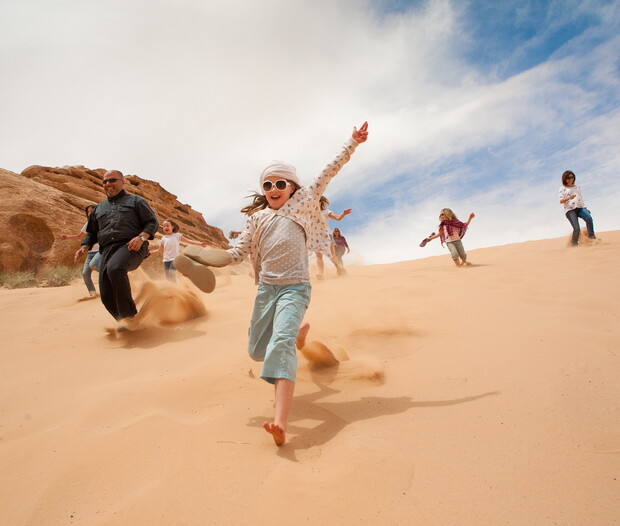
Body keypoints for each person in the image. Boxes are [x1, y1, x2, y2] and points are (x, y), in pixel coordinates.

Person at [188, 122, 369, 445]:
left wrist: (352, 143)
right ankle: (299, 336)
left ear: (292, 187)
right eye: (268, 184)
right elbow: (237, 252)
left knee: (279, 344)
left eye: (280, 183)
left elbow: (328, 172)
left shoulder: (303, 202)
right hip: (266, 290)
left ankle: (280, 421)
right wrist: (207, 258)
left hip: (295, 287)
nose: (273, 188)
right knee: (257, 351)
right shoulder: (256, 219)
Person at [74, 170, 158, 329]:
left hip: (131, 246)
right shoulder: (99, 209)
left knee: (116, 269)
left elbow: (152, 223)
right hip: (107, 251)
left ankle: (130, 318)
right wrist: (84, 247)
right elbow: (92, 233)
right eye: (104, 182)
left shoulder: (136, 201)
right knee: (105, 294)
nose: (107, 184)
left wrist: (141, 238)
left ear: (122, 182)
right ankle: (123, 322)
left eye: (111, 180)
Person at [61, 204, 101, 297]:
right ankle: (93, 294)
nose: (90, 213)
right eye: (88, 212)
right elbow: (80, 236)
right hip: (91, 252)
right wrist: (67, 237)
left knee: (94, 266)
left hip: (101, 250)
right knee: (85, 273)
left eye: (92, 211)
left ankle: (112, 274)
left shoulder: (102, 221)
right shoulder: (88, 224)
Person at [314, 199, 352, 279]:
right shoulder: (310, 213)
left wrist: (343, 214)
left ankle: (339, 268)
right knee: (318, 255)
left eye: (317, 200)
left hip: (327, 235)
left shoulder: (326, 212)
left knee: (332, 255)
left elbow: (337, 218)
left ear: (321, 202)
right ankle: (320, 274)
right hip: (316, 236)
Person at [559, 170, 597, 246]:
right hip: (570, 210)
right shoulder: (562, 188)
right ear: (565, 179)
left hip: (580, 208)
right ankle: (574, 244)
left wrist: (585, 208)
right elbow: (561, 201)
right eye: (568, 178)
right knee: (577, 229)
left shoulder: (577, 187)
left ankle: (591, 237)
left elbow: (580, 199)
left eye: (572, 177)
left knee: (589, 219)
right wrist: (569, 198)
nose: (570, 179)